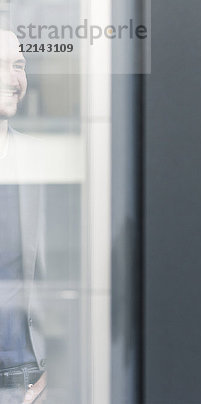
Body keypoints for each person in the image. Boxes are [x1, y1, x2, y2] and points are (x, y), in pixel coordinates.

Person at [0, 29, 47, 403]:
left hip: (29, 382)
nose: (12, 79)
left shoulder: (44, 162)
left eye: (18, 65)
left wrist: (56, 373)